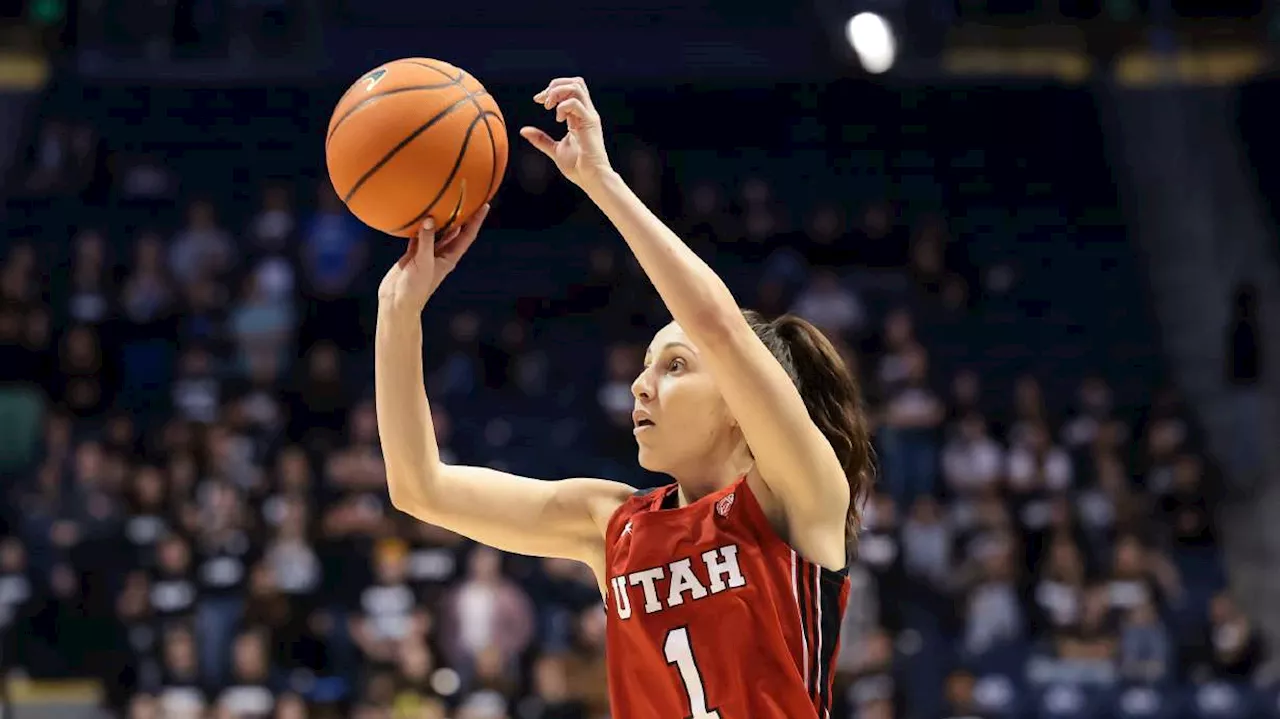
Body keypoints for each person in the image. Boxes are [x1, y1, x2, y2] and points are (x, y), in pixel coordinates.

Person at [375, 76, 874, 718]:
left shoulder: (800, 503)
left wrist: (601, 182)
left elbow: (717, 327)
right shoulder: (612, 525)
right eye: (646, 366)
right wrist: (399, 311)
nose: (642, 385)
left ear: (741, 407)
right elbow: (418, 488)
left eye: (674, 365)